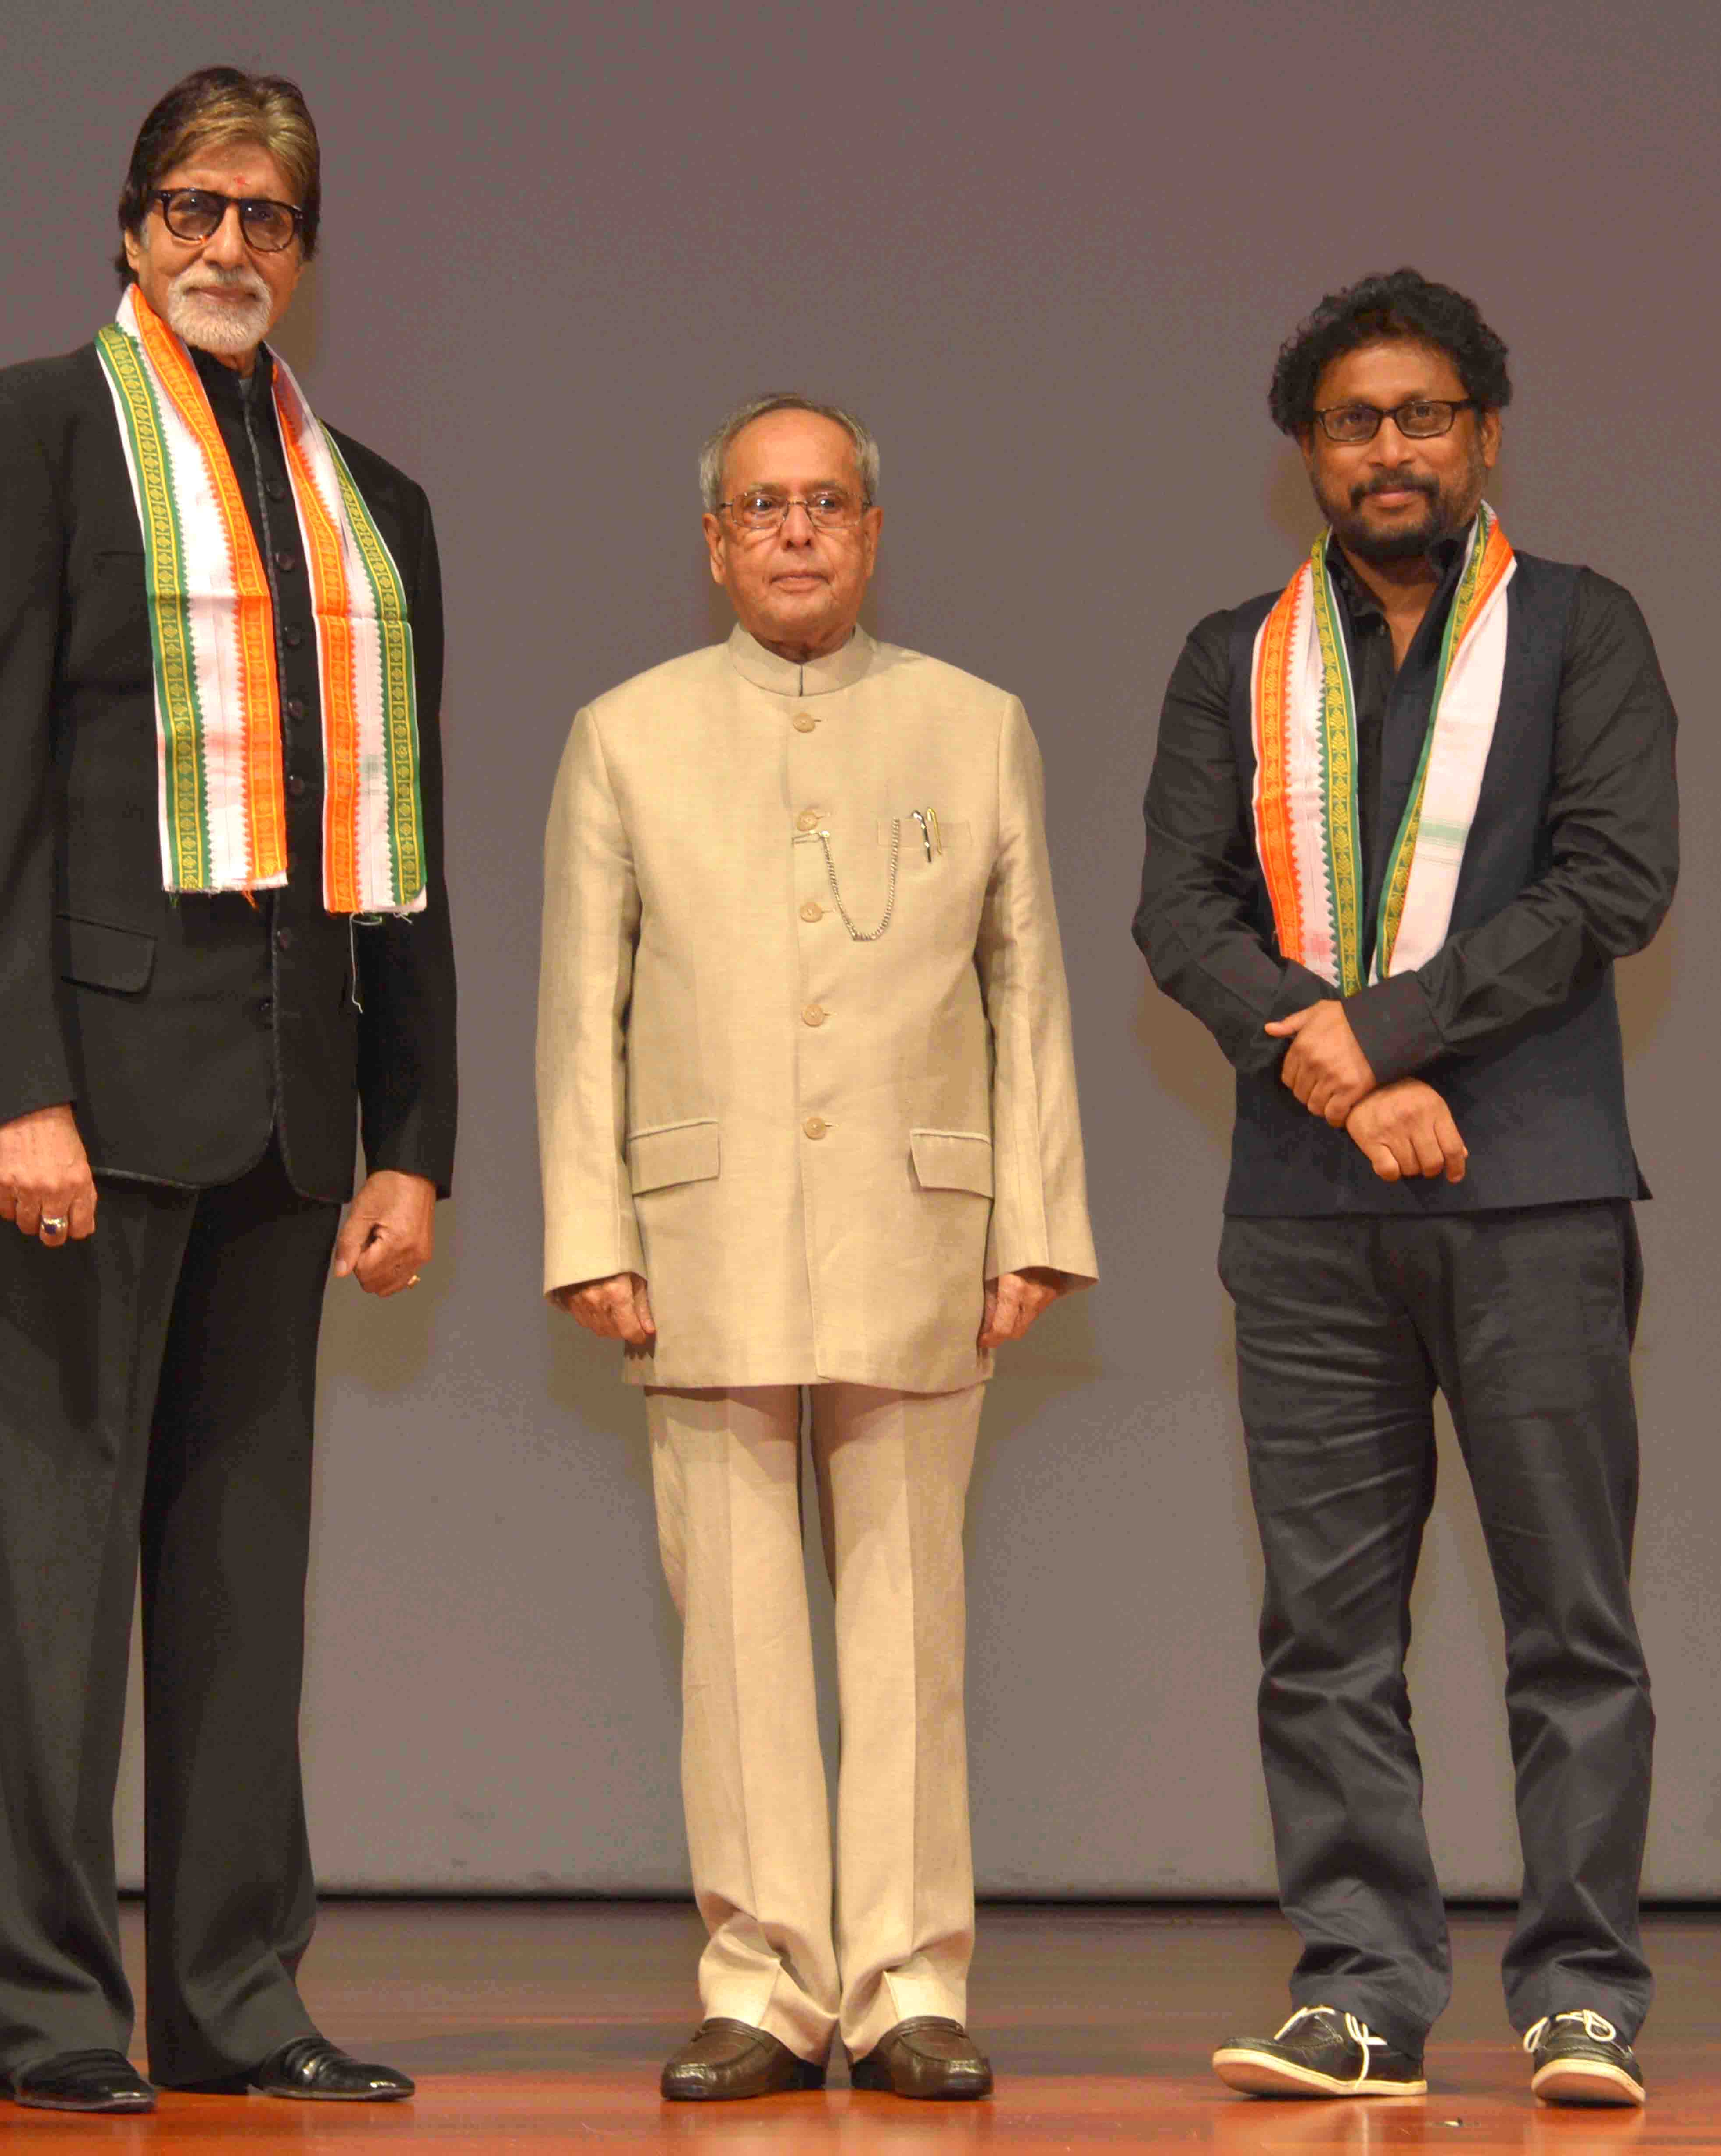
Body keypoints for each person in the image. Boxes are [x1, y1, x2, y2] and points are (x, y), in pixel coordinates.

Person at [0, 65, 451, 2115]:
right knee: (53, 1575)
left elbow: (406, 848)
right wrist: (7, 1088)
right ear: (131, 228)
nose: (233, 246)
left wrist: (420, 1135)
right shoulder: (35, 433)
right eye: (196, 209)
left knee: (240, 1585)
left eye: (271, 218)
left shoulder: (371, 505)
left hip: (297, 1113)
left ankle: (235, 1997)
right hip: (91, 1102)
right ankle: (50, 2016)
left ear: (305, 253)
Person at [1133, 270, 1679, 2110]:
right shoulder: (1235, 658)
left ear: (1485, 434)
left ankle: (1582, 1988)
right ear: (1309, 452)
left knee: (1569, 1615)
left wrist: (1381, 1037)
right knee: (1326, 1627)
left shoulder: (1581, 632)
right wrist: (1340, 1073)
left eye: (1423, 415)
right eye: (1355, 421)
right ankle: (1361, 1984)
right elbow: (1177, 913)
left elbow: (1609, 881)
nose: (1390, 449)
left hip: (1529, 1194)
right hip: (1307, 1213)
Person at [536, 394, 1096, 2103]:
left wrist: (1036, 1219)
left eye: (826, 504)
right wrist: (588, 1225)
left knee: (907, 1615)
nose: (794, 532)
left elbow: (1028, 988)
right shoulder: (624, 733)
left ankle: (909, 1977)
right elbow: (584, 1010)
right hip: (699, 1229)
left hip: (917, 1224)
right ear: (713, 540)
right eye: (762, 507)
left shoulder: (972, 721)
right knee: (736, 1631)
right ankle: (765, 1979)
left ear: (869, 530)